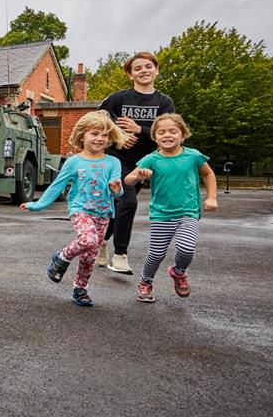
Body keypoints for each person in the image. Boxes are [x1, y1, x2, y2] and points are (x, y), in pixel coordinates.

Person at [20, 111, 129, 306]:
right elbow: (57, 186)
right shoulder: (74, 162)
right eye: (94, 134)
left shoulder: (113, 162)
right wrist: (38, 205)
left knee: (89, 256)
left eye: (104, 135)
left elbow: (117, 193)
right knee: (88, 239)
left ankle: (80, 288)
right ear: (82, 135)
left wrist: (117, 190)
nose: (100, 138)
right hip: (80, 209)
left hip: (103, 213)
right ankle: (62, 256)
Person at [124, 114, 218, 303]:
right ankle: (145, 282)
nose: (167, 135)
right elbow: (128, 179)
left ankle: (178, 272)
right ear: (155, 137)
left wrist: (212, 197)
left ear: (183, 136)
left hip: (188, 212)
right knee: (157, 253)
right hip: (161, 215)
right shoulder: (151, 159)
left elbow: (208, 174)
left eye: (173, 131)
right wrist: (140, 176)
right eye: (161, 132)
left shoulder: (193, 156)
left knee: (186, 249)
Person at [97, 52, 176, 274]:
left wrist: (139, 129)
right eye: (138, 68)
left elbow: (168, 132)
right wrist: (119, 132)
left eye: (148, 66)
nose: (143, 70)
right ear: (131, 74)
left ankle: (102, 240)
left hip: (144, 161)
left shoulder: (164, 102)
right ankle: (120, 256)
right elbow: (98, 116)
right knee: (128, 202)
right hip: (117, 159)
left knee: (119, 206)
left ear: (156, 71)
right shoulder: (119, 98)